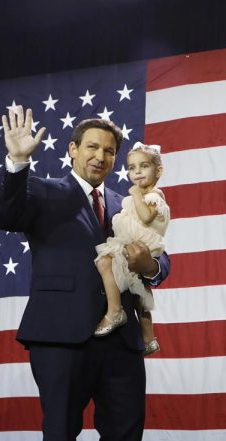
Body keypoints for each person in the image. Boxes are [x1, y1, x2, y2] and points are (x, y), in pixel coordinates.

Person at [0, 107, 171, 441]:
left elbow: (160, 257)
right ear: (72, 151)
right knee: (59, 435)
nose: (101, 156)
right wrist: (16, 163)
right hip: (60, 336)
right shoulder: (45, 191)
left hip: (120, 338)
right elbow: (6, 214)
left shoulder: (130, 202)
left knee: (125, 436)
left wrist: (152, 267)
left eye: (109, 150)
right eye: (92, 147)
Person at [93, 142, 169, 356]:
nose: (136, 173)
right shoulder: (134, 200)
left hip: (140, 244)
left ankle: (115, 310)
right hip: (133, 242)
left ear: (158, 170)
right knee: (139, 294)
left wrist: (150, 267)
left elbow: (146, 217)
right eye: (132, 168)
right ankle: (148, 338)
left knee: (105, 261)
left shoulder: (151, 197)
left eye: (143, 166)